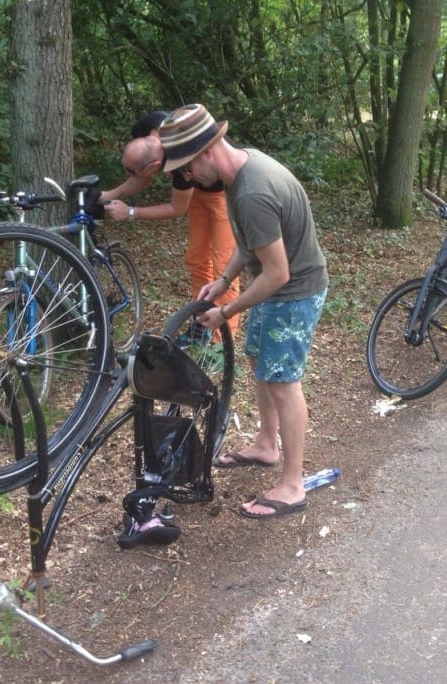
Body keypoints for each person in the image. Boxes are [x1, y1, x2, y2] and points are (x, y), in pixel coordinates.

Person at [159, 103, 328, 520]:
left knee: (283, 382)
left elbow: (276, 273)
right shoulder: (241, 170)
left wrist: (226, 309)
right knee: (259, 361)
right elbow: (250, 241)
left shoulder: (252, 190)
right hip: (276, 289)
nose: (187, 178)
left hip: (293, 293)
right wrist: (222, 279)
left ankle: (292, 485)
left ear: (206, 153)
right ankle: (267, 444)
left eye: (186, 168)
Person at [101, 111, 239, 334]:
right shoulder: (148, 124)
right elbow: (141, 176)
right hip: (198, 189)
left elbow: (177, 208)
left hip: (223, 191)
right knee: (198, 259)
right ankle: (202, 321)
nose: (134, 175)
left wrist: (131, 212)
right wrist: (108, 194)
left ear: (156, 163)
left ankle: (222, 338)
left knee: (224, 264)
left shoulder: (179, 163)